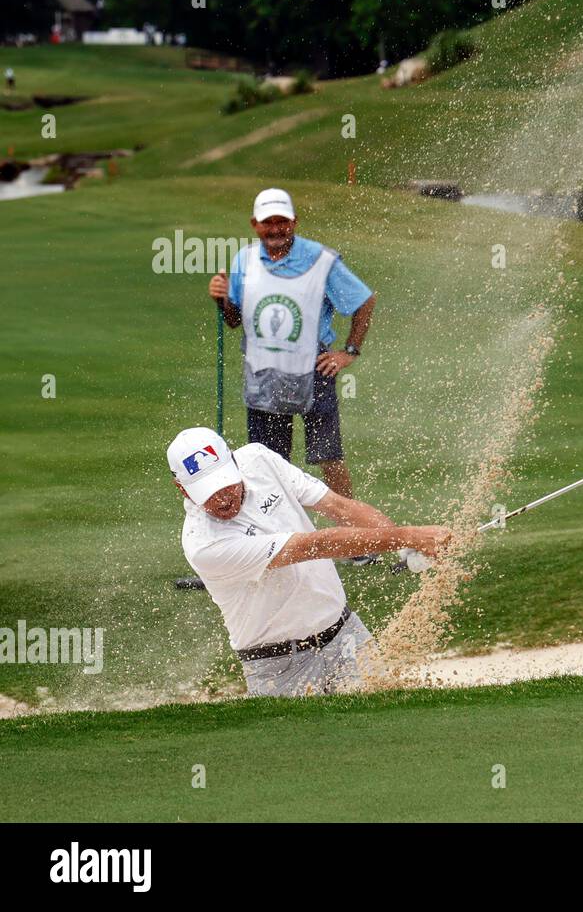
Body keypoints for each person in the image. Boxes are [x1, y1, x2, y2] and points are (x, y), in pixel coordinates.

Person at [168, 426, 451, 697]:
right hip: (279, 666)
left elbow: (338, 507)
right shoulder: (204, 544)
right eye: (208, 491)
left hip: (346, 636)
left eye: (225, 483)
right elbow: (316, 545)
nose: (221, 498)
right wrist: (409, 536)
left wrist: (404, 546)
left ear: (234, 462)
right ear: (182, 489)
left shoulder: (258, 459)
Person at [207, 188, 374, 507]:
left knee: (329, 457)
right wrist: (222, 298)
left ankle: (355, 542)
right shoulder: (244, 259)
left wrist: (349, 352)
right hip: (262, 373)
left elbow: (364, 300)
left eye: (282, 221)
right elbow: (234, 319)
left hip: (314, 370)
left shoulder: (321, 260)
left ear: (294, 221)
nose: (275, 229)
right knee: (267, 463)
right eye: (268, 222)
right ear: (255, 224)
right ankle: (277, 538)